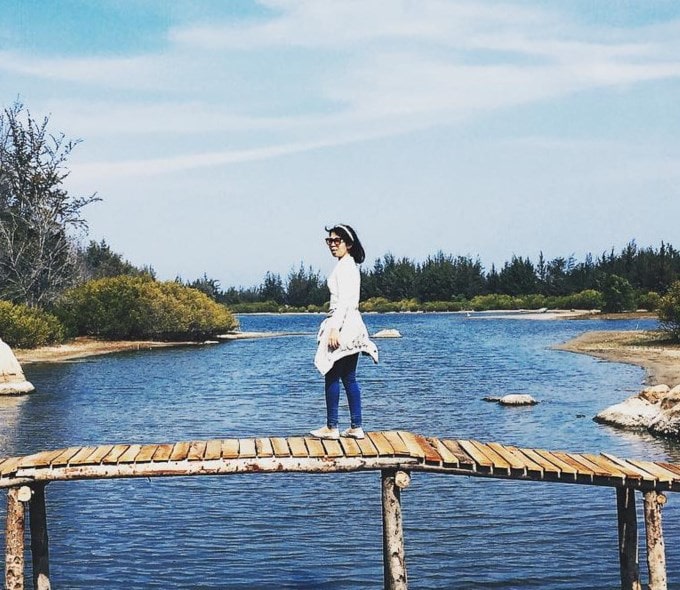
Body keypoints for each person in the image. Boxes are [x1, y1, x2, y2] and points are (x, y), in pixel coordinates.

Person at [311, 224, 378, 440]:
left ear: (348, 244)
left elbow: (344, 304)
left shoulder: (345, 267)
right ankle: (356, 427)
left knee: (332, 374)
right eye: (329, 241)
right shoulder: (349, 265)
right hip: (353, 325)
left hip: (343, 325)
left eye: (336, 241)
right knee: (349, 377)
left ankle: (332, 427)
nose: (332, 245)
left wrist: (334, 329)